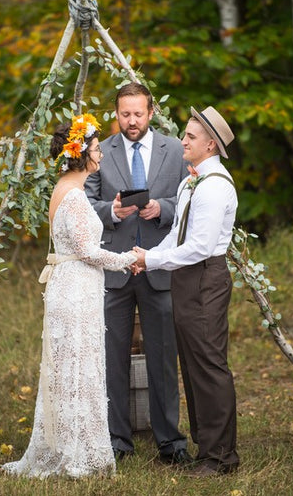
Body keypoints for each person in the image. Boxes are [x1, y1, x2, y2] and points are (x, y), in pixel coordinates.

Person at [2, 114, 137, 479]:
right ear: (80, 154)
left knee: (71, 367)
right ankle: (77, 453)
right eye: (96, 149)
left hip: (73, 285)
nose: (102, 155)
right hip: (76, 287)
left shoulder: (63, 188)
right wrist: (128, 259)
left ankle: (71, 443)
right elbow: (88, 251)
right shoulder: (75, 197)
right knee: (78, 367)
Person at [85, 82, 191, 464]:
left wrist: (161, 208)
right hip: (114, 268)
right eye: (125, 114)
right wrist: (112, 212)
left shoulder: (176, 149)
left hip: (159, 267)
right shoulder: (100, 152)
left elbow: (190, 199)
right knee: (112, 358)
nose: (132, 121)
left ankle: (171, 443)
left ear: (150, 112)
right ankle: (117, 440)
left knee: (163, 356)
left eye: (138, 114)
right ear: (117, 113)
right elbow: (84, 203)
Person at [133, 106, 240, 477]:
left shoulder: (214, 187)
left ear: (210, 144)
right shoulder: (190, 182)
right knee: (193, 365)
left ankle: (221, 457)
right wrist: (149, 254)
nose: (183, 141)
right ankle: (206, 449)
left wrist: (153, 263)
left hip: (205, 278)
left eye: (190, 137)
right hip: (185, 277)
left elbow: (198, 247)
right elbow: (175, 235)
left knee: (210, 365)